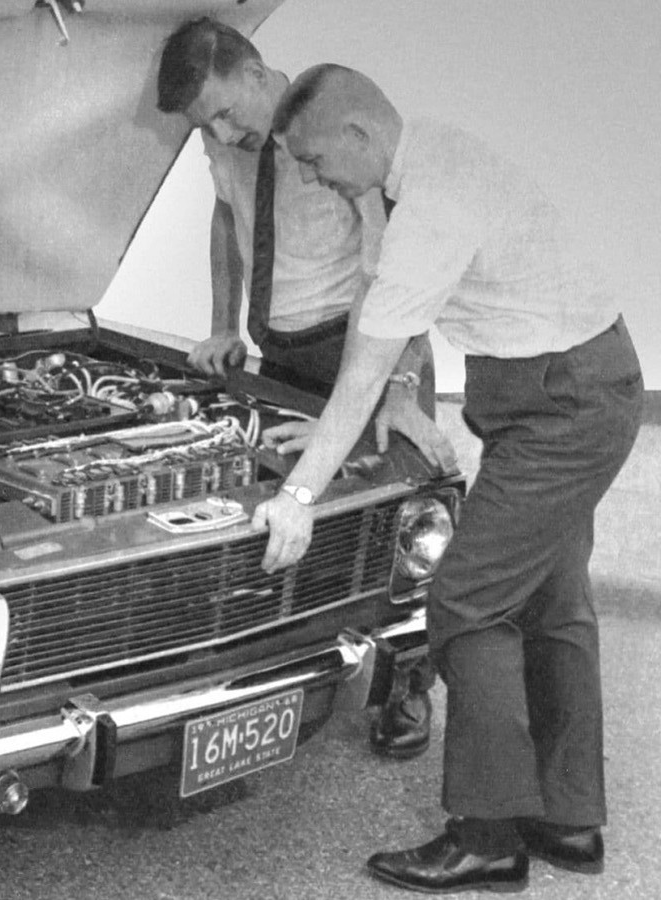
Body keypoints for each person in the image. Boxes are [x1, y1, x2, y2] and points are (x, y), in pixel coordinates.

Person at [257, 64, 642, 893]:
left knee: (467, 601)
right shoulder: (420, 160)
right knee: (553, 600)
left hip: (559, 407)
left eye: (315, 160)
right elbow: (378, 305)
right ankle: (569, 820)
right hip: (570, 387)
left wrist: (298, 494)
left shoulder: (431, 206)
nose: (313, 178)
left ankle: (487, 836)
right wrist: (340, 426)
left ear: (358, 133)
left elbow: (366, 361)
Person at [155, 18, 450, 761]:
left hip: (366, 351)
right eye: (206, 125)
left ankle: (408, 687)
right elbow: (227, 214)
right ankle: (282, 674)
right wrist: (223, 324)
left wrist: (399, 384)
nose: (221, 133)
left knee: (395, 526)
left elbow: (399, 267)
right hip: (284, 353)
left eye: (226, 113)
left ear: (257, 75)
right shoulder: (225, 139)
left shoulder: (324, 132)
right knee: (292, 515)